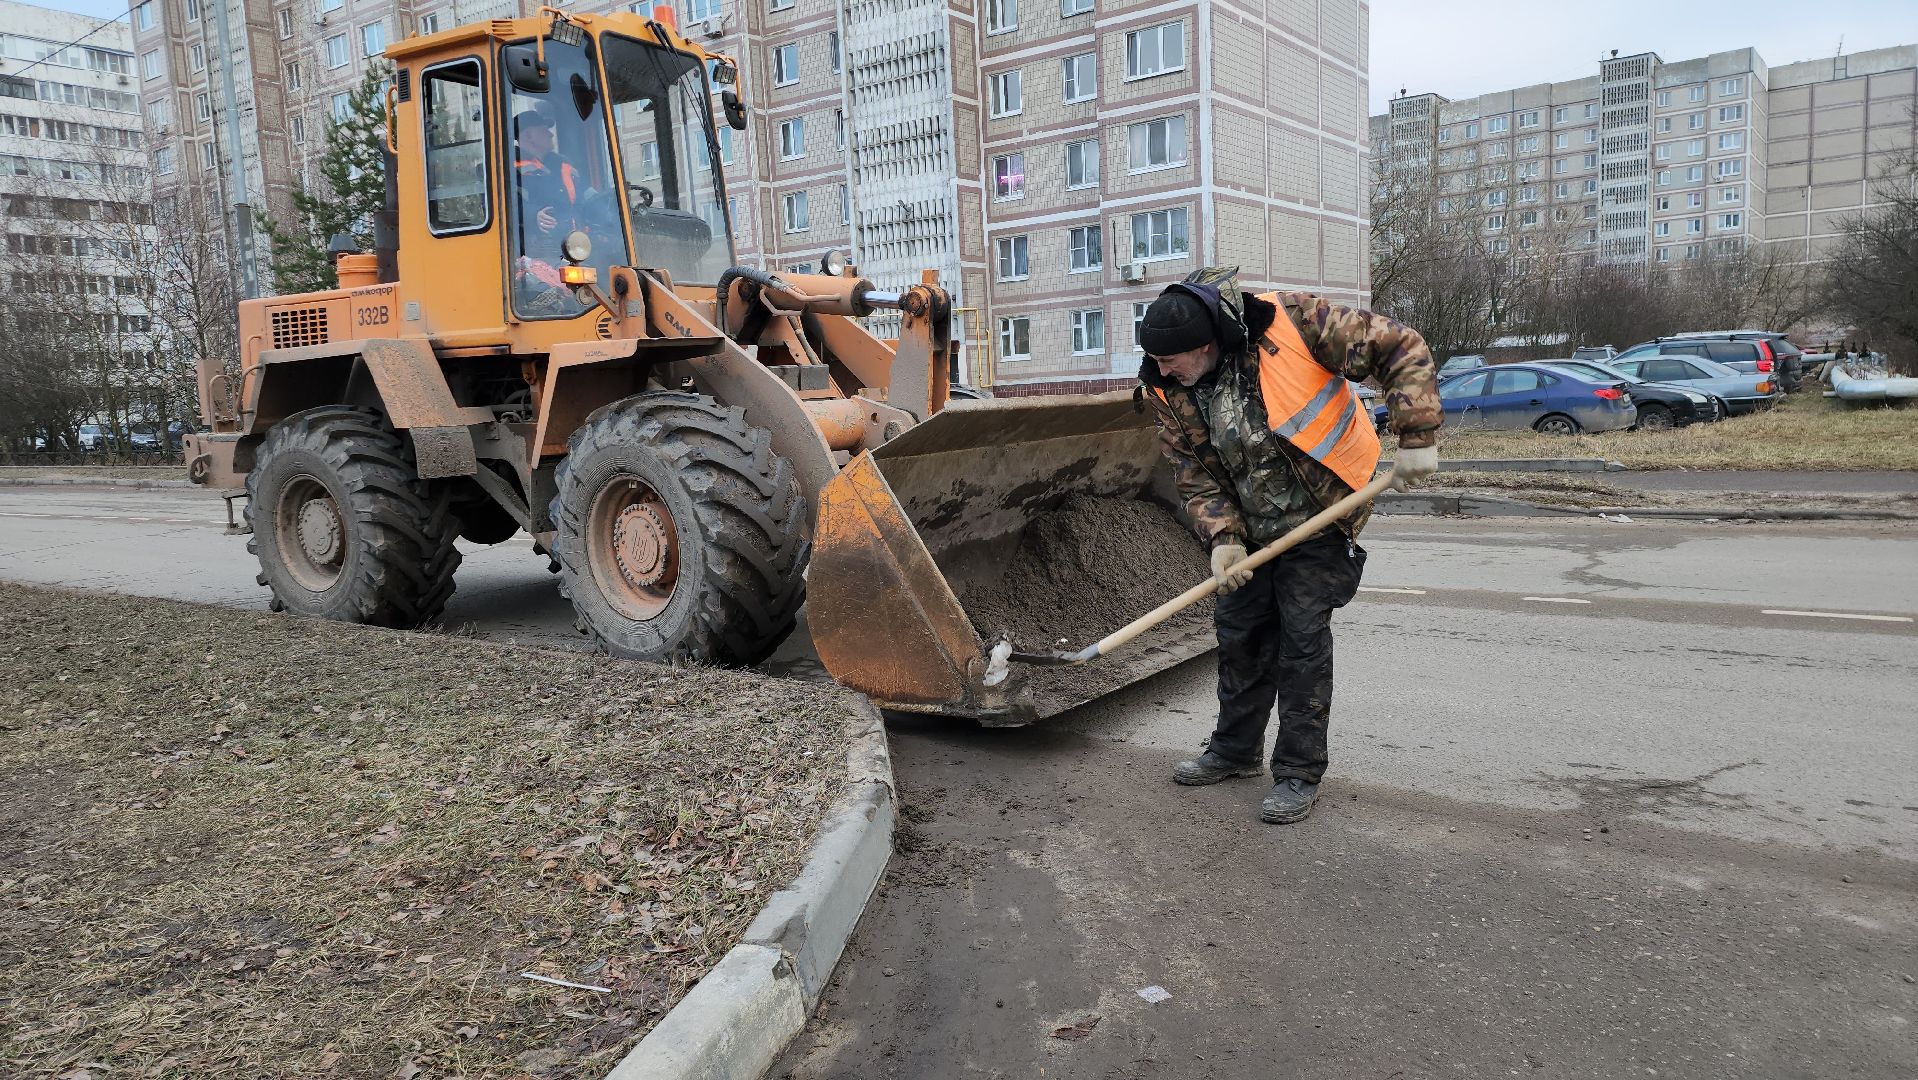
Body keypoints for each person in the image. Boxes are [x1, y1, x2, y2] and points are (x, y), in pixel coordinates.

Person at [1135, 266, 1443, 824]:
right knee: (1241, 634)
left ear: (1206, 345)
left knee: (1301, 639)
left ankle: (1299, 772)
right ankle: (1234, 751)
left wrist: (1416, 434)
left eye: (1170, 360)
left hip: (1323, 510)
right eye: (1156, 362)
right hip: (1252, 528)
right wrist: (1223, 538)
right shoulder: (1166, 387)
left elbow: (1400, 345)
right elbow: (1193, 472)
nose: (1161, 371)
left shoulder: (1294, 324)